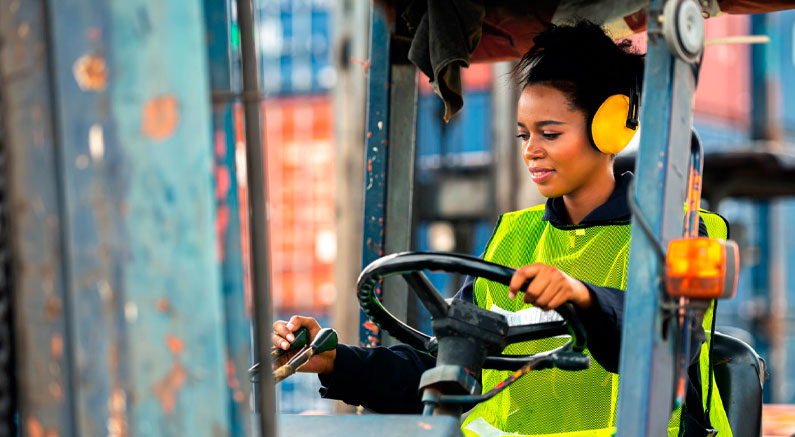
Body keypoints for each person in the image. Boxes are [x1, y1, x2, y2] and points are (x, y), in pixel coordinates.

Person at [273, 21, 731, 437]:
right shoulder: (515, 237)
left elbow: (661, 348)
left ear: (610, 129)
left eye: (549, 134)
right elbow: (448, 369)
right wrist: (333, 360)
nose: (531, 150)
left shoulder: (676, 233)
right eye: (523, 134)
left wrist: (584, 297)